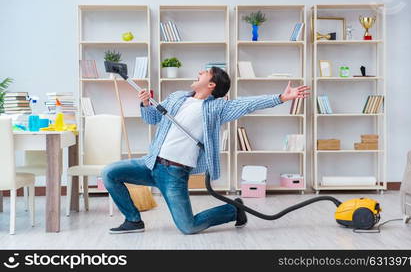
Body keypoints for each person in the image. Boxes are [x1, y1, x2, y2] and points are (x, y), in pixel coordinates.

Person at [102, 66, 310, 234]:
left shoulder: (216, 108)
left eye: (205, 72)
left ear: (211, 84)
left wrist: (281, 98)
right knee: (109, 173)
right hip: (150, 163)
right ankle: (133, 221)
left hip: (174, 173)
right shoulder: (177, 97)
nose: (199, 72)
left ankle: (233, 210)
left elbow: (248, 104)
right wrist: (145, 103)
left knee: (188, 227)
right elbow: (152, 119)